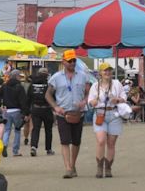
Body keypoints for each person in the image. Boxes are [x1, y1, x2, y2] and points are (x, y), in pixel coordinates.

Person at [45, 49, 90, 179]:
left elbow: (88, 92)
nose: (72, 63)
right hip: (63, 114)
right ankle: (68, 168)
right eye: (70, 61)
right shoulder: (56, 77)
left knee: (76, 142)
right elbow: (48, 95)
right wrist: (55, 107)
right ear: (63, 62)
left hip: (78, 113)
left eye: (74, 60)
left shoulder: (83, 75)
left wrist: (84, 101)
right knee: (65, 141)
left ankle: (73, 164)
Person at [88, 62, 127, 178]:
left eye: (109, 70)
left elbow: (124, 97)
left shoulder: (117, 84)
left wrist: (118, 99)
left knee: (111, 143)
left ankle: (108, 168)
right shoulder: (95, 85)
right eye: (105, 70)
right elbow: (90, 100)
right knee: (101, 141)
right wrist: (92, 102)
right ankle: (99, 167)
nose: (107, 72)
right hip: (100, 114)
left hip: (114, 114)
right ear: (100, 72)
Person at [0, 70, 30, 157]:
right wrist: (25, 113)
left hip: (7, 111)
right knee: (17, 130)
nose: (20, 78)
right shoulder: (19, 87)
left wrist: (0, 105)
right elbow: (23, 101)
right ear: (17, 76)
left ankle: (5, 144)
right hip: (17, 111)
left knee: (7, 130)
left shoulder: (4, 86)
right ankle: (15, 151)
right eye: (19, 76)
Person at [28, 68, 55, 157]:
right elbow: (53, 96)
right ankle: (48, 149)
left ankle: (33, 146)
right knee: (48, 130)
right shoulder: (48, 85)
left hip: (35, 109)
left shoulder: (32, 85)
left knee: (35, 129)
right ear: (46, 75)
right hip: (47, 109)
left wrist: (27, 111)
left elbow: (28, 97)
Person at [20, 73, 32, 145]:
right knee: (32, 123)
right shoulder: (32, 86)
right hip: (32, 105)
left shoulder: (22, 86)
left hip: (24, 106)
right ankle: (32, 138)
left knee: (26, 124)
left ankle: (26, 138)